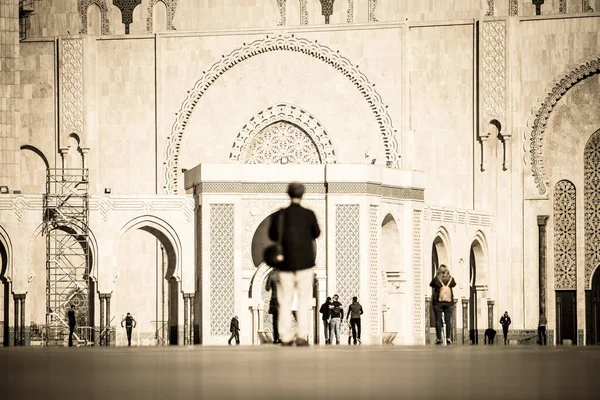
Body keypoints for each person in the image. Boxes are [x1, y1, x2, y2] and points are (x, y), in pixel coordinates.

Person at [268, 182, 321, 346]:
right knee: (304, 300)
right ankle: (302, 336)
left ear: (288, 194)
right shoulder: (309, 214)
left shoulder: (280, 216)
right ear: (302, 194)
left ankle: (285, 337)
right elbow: (317, 233)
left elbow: (272, 235)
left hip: (285, 265)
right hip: (305, 264)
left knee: (285, 301)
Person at [429, 265, 456, 345]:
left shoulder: (436, 279)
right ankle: (448, 337)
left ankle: (439, 338)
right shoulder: (451, 279)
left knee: (438, 319)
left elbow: (431, 284)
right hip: (449, 303)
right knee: (448, 320)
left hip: (438, 303)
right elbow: (454, 284)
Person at [265, 270, 281, 344]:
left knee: (275, 320)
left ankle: (276, 338)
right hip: (283, 299)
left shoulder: (271, 274)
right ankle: (283, 337)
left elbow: (267, 288)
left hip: (274, 299)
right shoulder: (284, 273)